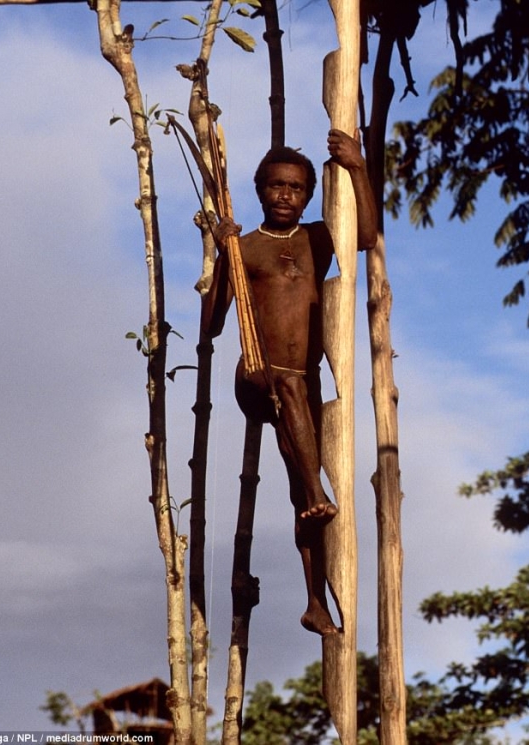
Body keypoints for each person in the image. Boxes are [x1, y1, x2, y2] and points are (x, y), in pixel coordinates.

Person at [205, 129, 378, 636]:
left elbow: (365, 238)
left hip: (305, 385)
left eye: (297, 188)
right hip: (257, 375)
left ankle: (314, 603)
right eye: (277, 186)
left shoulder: (317, 239)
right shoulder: (247, 248)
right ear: (259, 189)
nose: (286, 195)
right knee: (289, 393)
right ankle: (314, 487)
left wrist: (358, 167)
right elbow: (212, 326)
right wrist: (224, 256)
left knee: (303, 500)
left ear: (307, 194)